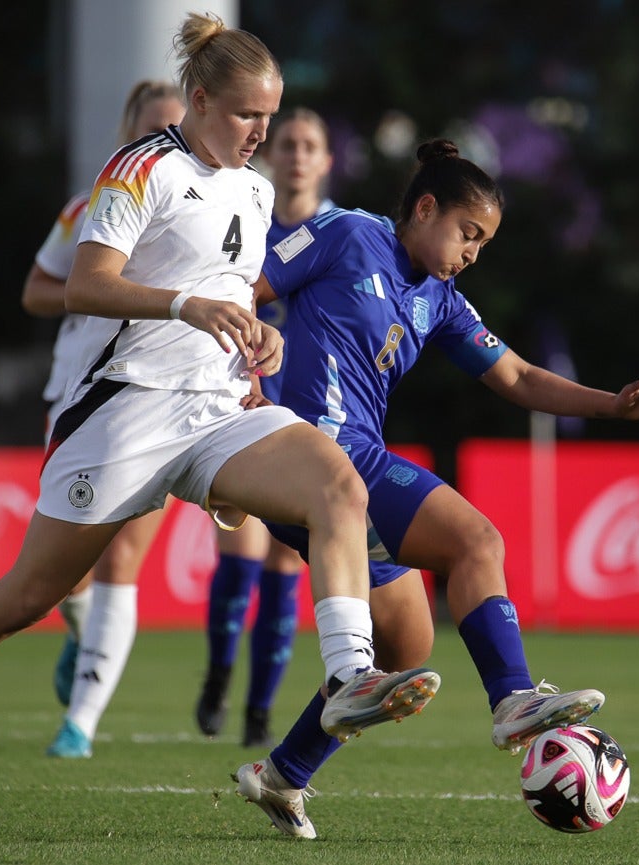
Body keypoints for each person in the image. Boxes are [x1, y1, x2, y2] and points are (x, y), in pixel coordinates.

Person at [0, 13, 440, 836]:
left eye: (270, 115)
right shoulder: (138, 168)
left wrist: (259, 336)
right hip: (122, 411)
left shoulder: (255, 189)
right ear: (197, 99)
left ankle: (353, 675)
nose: (261, 132)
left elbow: (236, 292)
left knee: (338, 480)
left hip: (217, 411)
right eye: (244, 114)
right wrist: (184, 304)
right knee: (28, 597)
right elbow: (85, 285)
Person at [232, 139, 639, 839]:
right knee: (478, 540)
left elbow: (521, 378)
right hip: (310, 452)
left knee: (403, 657)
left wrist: (611, 404)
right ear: (425, 207)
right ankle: (511, 701)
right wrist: (248, 384)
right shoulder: (347, 232)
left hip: (349, 475)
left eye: (483, 243)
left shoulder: (439, 300)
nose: (472, 252)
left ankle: (284, 773)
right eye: (468, 233)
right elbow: (241, 288)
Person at [195, 108, 429, 749]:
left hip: (320, 429)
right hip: (251, 409)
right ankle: (218, 675)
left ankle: (260, 713)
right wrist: (250, 385)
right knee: (238, 560)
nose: (296, 155)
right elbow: (238, 297)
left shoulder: (346, 231)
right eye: (288, 144)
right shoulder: (252, 223)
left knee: (285, 568)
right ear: (272, 157)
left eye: (310, 146)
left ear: (326, 161)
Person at [21, 79, 186, 759]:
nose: (164, 141)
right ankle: (78, 622)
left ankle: (80, 722)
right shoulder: (89, 208)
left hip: (160, 400)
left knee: (124, 556)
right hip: (77, 397)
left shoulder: (203, 211)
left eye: (175, 127)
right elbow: (34, 291)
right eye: (151, 129)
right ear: (128, 134)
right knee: (70, 569)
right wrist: (101, 290)